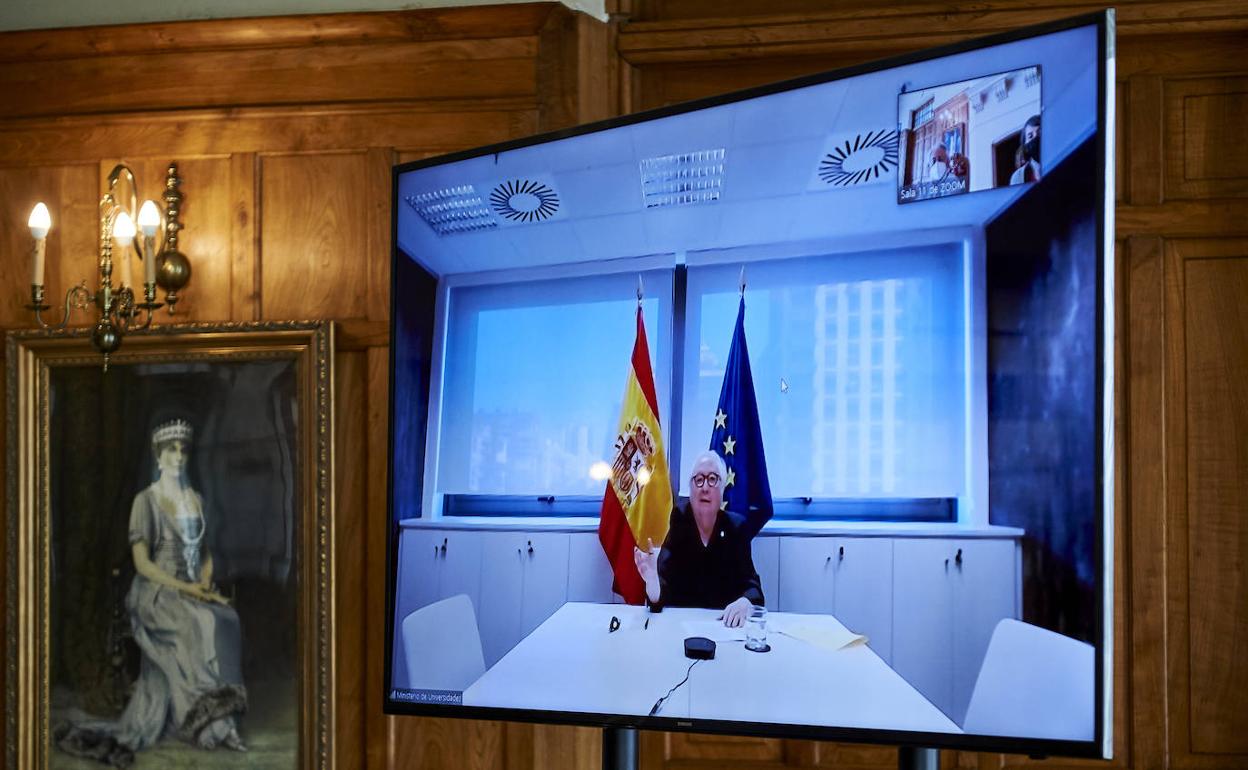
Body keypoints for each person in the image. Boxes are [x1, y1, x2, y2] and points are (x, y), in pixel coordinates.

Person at [56, 419, 247, 764]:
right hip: (155, 591)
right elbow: (143, 565)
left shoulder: (196, 499)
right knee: (198, 624)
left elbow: (204, 554)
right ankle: (209, 727)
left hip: (190, 588)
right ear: (158, 456)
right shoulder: (146, 501)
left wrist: (204, 581)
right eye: (170, 450)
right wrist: (188, 588)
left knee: (226, 619)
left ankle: (222, 718)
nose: (177, 456)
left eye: (183, 449)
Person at [633, 450, 764, 628]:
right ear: (691, 489)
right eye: (699, 479)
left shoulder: (736, 528)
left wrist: (745, 602)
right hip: (681, 629)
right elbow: (662, 587)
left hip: (725, 629)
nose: (704, 487)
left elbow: (753, 587)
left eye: (712, 479)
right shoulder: (680, 519)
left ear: (723, 489)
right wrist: (652, 583)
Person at [1010, 114, 1042, 184]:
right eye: (1030, 136)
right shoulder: (1018, 177)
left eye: (1040, 132)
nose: (1035, 137)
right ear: (1024, 143)